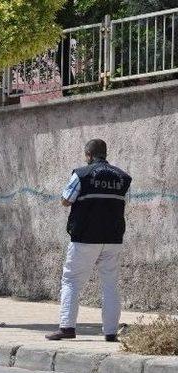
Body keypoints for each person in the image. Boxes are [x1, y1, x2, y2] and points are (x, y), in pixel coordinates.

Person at [46, 139, 132, 342]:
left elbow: (66, 200)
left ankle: (67, 328)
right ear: (105, 153)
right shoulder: (123, 177)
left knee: (71, 281)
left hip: (85, 238)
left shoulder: (81, 174)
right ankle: (110, 332)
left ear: (88, 155)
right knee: (110, 284)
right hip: (113, 238)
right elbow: (123, 202)